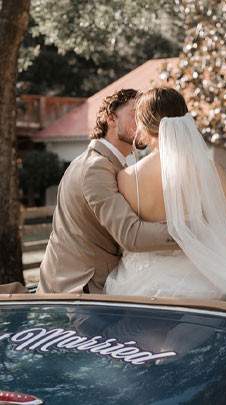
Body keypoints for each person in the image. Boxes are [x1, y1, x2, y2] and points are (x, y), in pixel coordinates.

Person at [105, 87, 226, 312]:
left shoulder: (127, 178)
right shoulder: (213, 171)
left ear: (143, 125)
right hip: (205, 279)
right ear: (184, 119)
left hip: (142, 284)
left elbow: (130, 236)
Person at [37, 89, 178, 294]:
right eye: (134, 114)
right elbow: (131, 235)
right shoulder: (95, 168)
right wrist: (189, 232)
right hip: (78, 292)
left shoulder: (116, 165)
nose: (141, 122)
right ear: (111, 118)